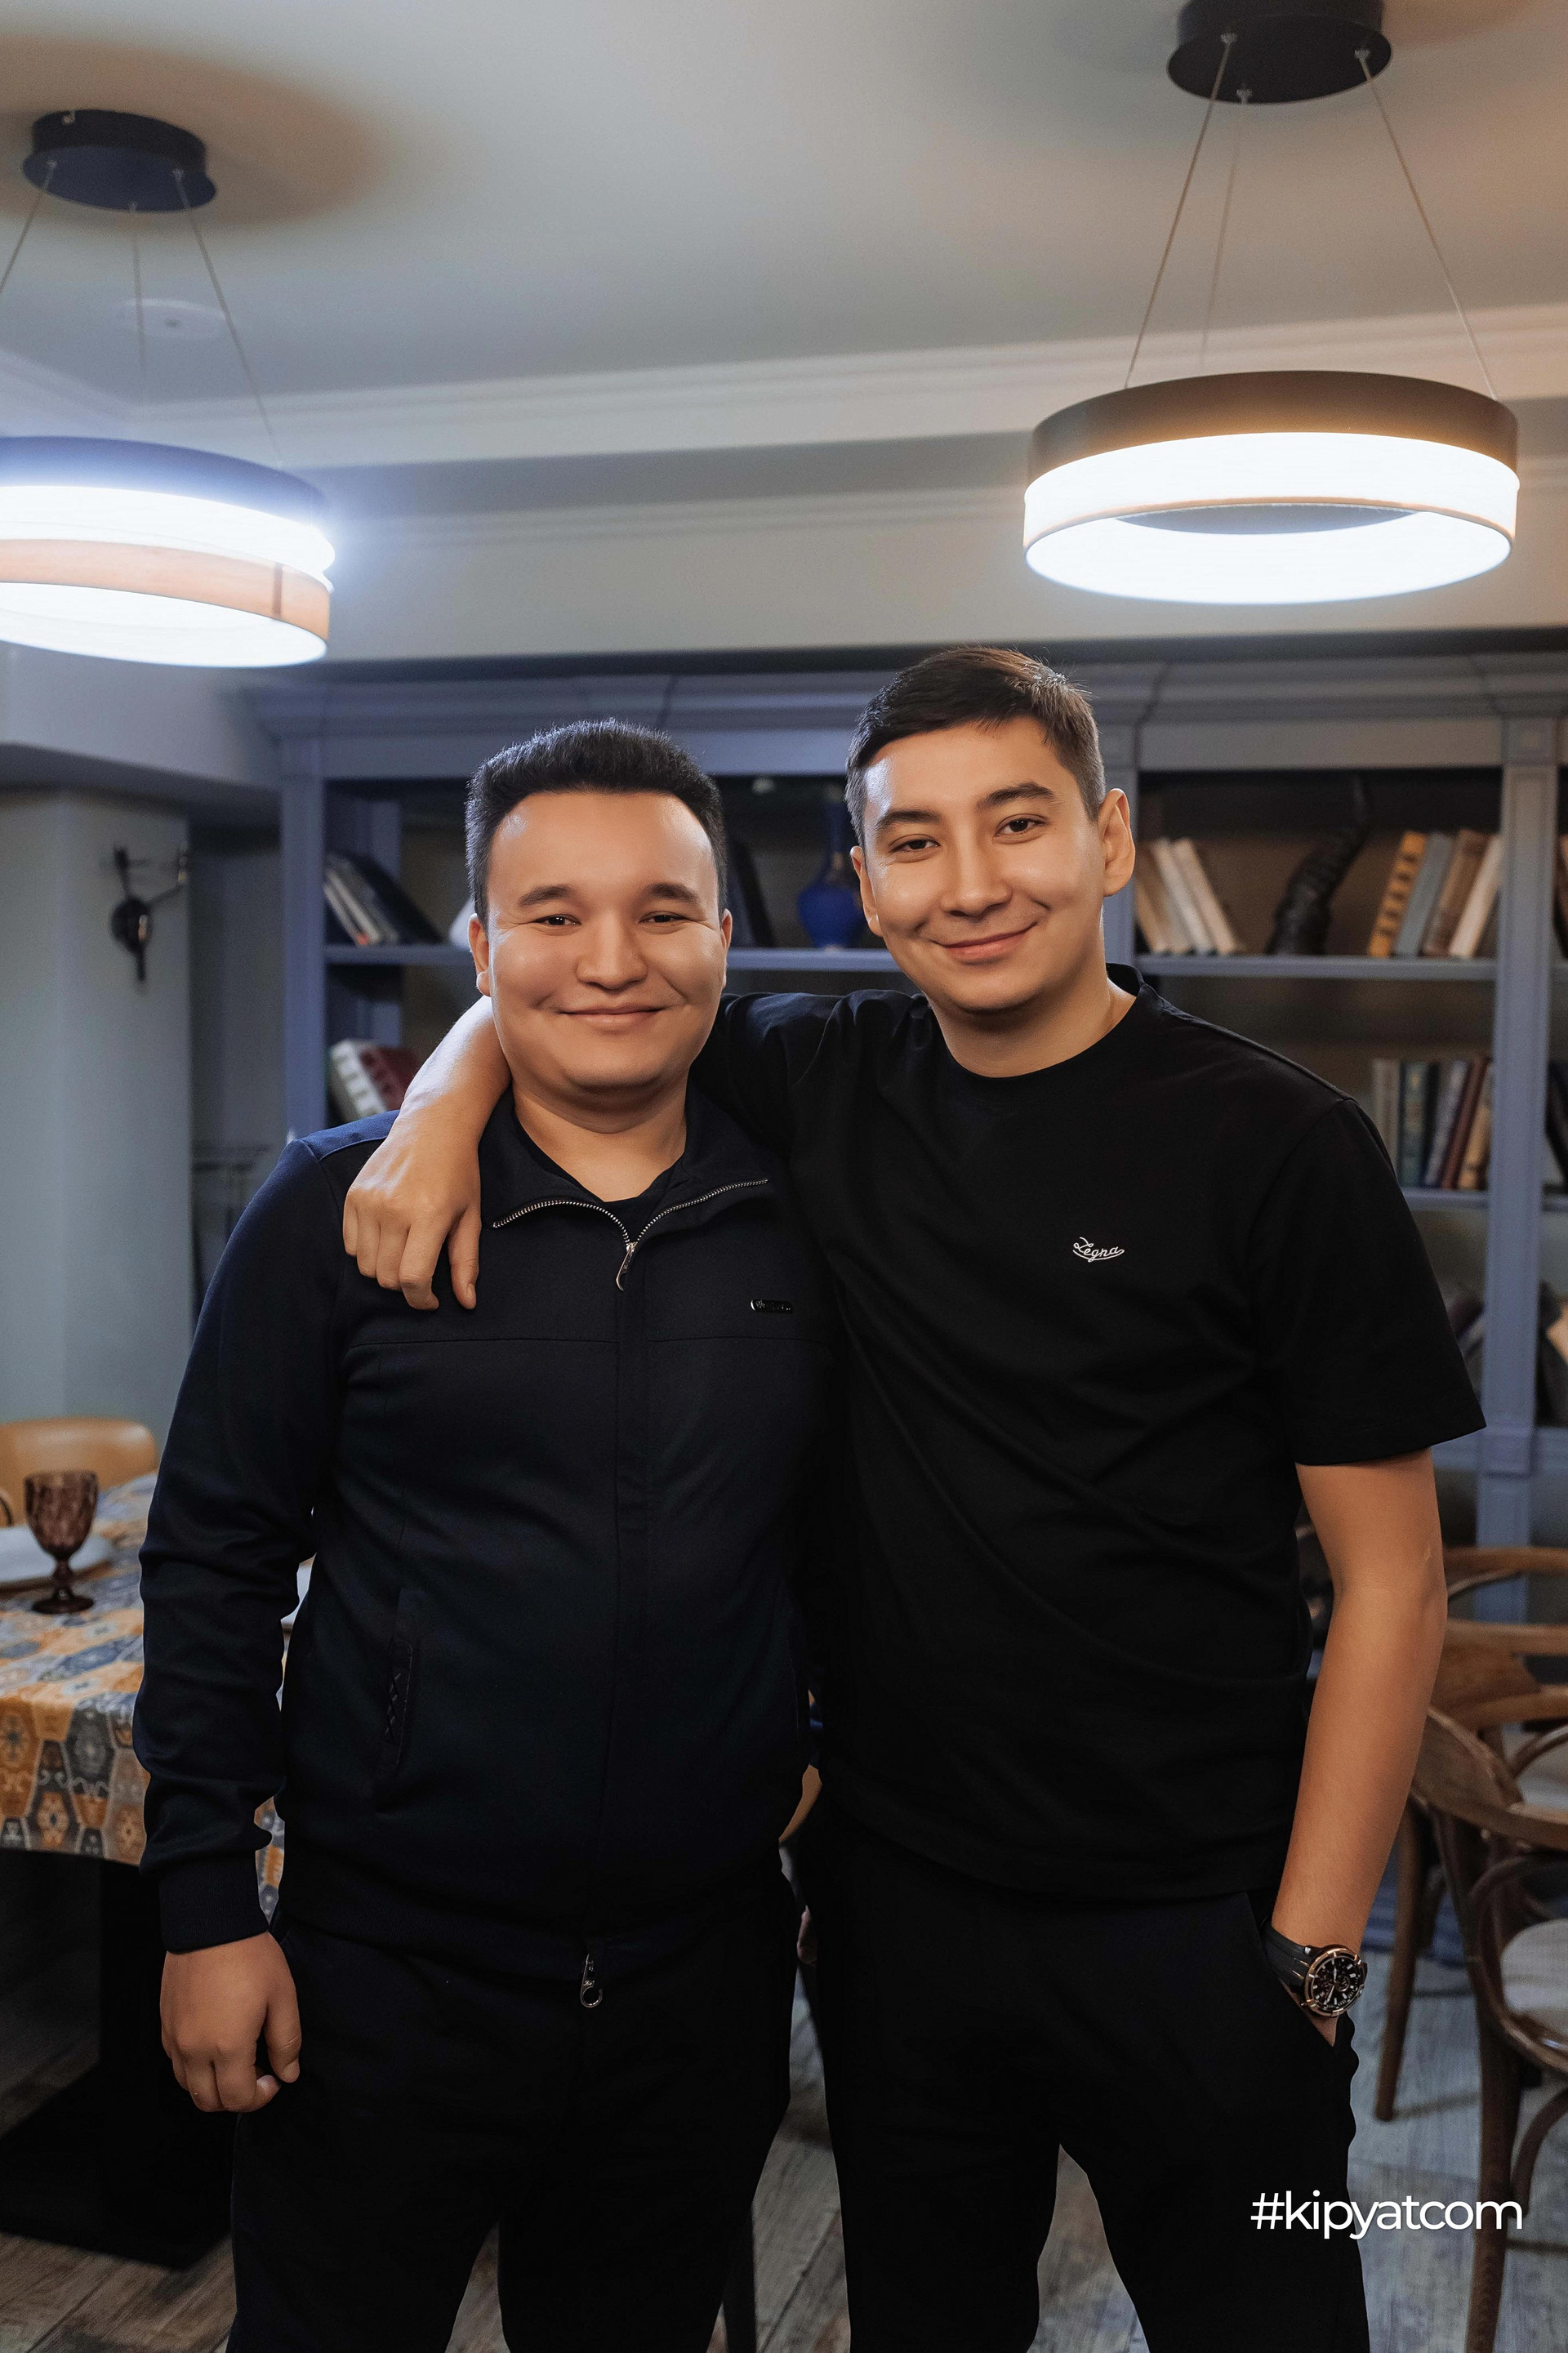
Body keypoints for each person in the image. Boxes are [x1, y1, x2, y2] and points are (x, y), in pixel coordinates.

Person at [341, 647, 1484, 2353]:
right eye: (915, 841)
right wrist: (439, 1104)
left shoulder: (1280, 1143)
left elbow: (1394, 1585)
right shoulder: (814, 1081)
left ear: (1107, 838)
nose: (971, 884)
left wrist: (1312, 1956)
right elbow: (583, 994)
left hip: (1200, 1916)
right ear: (866, 884)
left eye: (1016, 823)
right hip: (898, 1918)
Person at [135, 720, 840, 2353]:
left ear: (725, 933)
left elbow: (850, 1525)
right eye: (552, 913)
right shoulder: (333, 1210)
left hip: (700, 1975)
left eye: (661, 910)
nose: (611, 958)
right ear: (480, 944)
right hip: (385, 1971)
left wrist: (818, 1732)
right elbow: (216, 1551)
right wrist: (205, 1905)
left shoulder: (811, 1209)